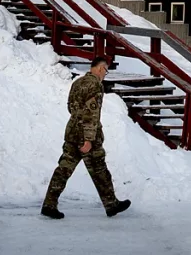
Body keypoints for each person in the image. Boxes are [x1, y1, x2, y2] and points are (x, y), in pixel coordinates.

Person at [41, 56, 131, 219]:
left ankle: (49, 204)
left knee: (63, 169)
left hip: (72, 132)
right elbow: (91, 113)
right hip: (87, 135)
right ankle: (111, 204)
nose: (105, 74)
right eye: (106, 70)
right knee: (99, 169)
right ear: (99, 68)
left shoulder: (77, 83)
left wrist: (78, 123)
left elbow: (70, 107)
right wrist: (88, 139)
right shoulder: (95, 85)